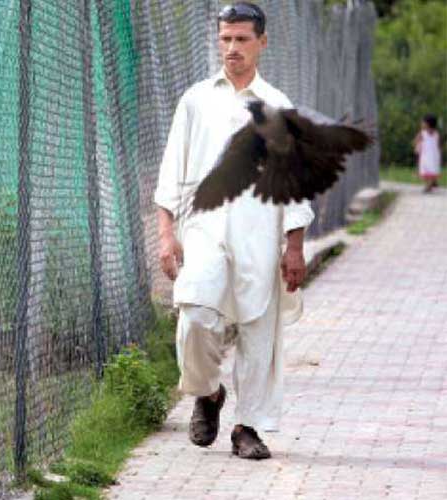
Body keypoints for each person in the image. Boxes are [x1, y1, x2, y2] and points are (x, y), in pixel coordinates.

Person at [153, 2, 315, 460]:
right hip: (203, 231)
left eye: (242, 39)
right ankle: (208, 393)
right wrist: (167, 234)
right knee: (195, 316)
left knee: (259, 333)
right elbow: (171, 171)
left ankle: (248, 428)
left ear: (262, 42)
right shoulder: (195, 100)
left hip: (260, 234)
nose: (232, 48)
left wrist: (295, 245)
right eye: (225, 39)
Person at [414, 114, 441, 193]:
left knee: (432, 169)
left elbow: (438, 144)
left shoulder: (436, 134)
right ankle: (430, 184)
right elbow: (416, 140)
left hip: (433, 155)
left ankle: (429, 185)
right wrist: (418, 146)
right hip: (425, 155)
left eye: (423, 122)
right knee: (426, 170)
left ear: (428, 124)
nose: (421, 124)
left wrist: (438, 154)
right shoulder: (422, 133)